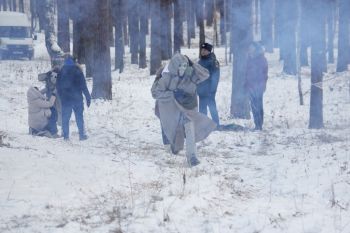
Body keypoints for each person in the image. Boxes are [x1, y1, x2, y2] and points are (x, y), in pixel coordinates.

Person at [151, 53, 217, 167]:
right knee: (175, 130)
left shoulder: (190, 73)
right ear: (175, 66)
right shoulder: (167, 76)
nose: (183, 69)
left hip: (188, 107)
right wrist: (172, 94)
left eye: (185, 66)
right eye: (180, 66)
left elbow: (205, 74)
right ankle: (174, 146)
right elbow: (155, 92)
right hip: (171, 107)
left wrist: (192, 64)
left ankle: (192, 157)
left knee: (189, 127)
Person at [57, 55, 91, 140]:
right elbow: (83, 86)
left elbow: (58, 86)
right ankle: (82, 136)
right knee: (79, 117)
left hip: (66, 99)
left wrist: (61, 96)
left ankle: (66, 136)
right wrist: (87, 97)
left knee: (65, 118)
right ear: (74, 61)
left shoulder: (61, 70)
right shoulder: (78, 70)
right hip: (77, 99)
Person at [244, 41, 268, 131]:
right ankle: (257, 124)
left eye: (252, 47)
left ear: (256, 48)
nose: (250, 49)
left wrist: (262, 85)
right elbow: (247, 72)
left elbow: (264, 74)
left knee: (258, 105)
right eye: (249, 48)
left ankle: (259, 125)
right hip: (250, 86)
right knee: (254, 106)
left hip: (258, 86)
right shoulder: (249, 58)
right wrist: (246, 84)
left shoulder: (261, 59)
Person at [197, 42, 220, 126]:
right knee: (202, 109)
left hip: (210, 90)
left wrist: (212, 90)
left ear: (209, 51)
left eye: (205, 50)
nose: (202, 51)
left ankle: (216, 124)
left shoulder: (213, 62)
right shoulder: (200, 61)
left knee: (212, 107)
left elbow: (215, 78)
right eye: (202, 50)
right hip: (201, 90)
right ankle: (203, 125)